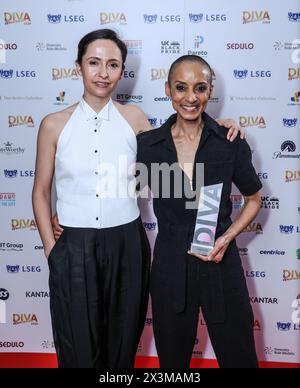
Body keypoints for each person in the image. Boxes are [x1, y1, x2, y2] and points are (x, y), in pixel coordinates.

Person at [43, 29, 244, 368]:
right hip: (74, 245)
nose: (103, 73)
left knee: (123, 339)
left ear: (122, 70)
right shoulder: (53, 124)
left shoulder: (135, 119)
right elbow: (40, 190)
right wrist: (52, 248)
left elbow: (176, 143)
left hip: (128, 241)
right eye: (94, 63)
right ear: (78, 66)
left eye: (112, 64)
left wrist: (219, 131)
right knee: (77, 341)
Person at [137, 55, 262, 368]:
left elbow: (254, 199)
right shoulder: (148, 146)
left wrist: (228, 236)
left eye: (200, 88)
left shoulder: (228, 141)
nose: (190, 97)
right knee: (173, 360)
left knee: (239, 356)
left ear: (210, 90)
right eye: (181, 87)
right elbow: (111, 188)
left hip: (221, 258)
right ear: (168, 89)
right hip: (169, 262)